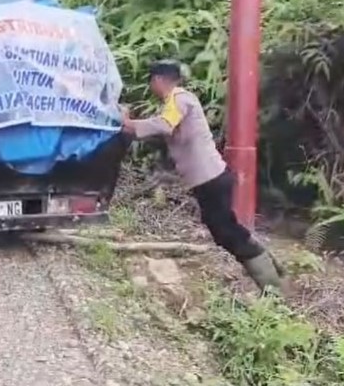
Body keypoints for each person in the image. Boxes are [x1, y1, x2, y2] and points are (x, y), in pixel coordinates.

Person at [120, 60, 284, 291]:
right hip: (208, 179)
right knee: (222, 229)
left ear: (157, 80)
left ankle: (273, 287)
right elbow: (163, 132)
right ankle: (269, 265)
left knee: (226, 231)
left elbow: (164, 125)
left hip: (212, 178)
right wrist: (128, 127)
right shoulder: (176, 103)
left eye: (151, 83)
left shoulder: (179, 98)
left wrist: (128, 123)